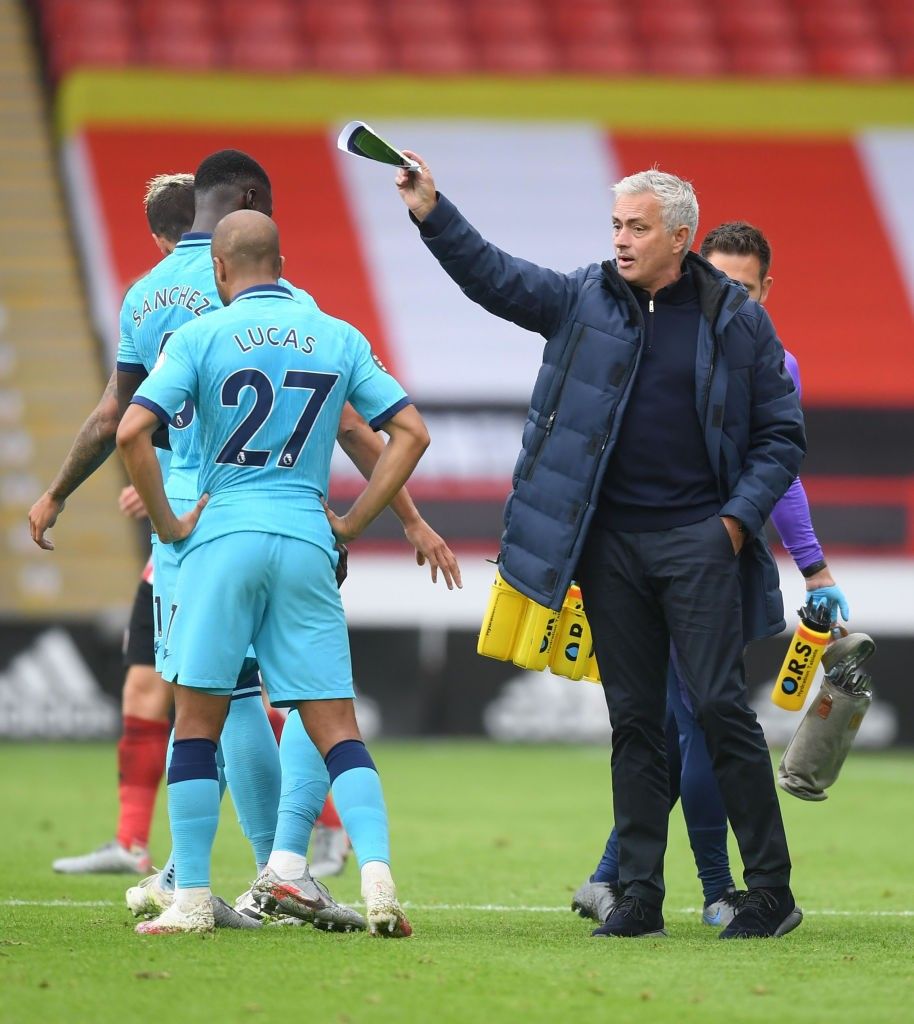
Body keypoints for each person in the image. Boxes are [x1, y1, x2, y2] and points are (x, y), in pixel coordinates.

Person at [395, 158, 806, 939]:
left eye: (637, 227)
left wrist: (731, 523)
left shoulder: (737, 319)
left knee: (719, 708)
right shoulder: (583, 296)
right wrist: (431, 212)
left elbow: (782, 436)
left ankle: (770, 893)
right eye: (616, 225)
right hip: (611, 548)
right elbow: (495, 278)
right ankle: (639, 895)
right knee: (635, 720)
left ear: (679, 237)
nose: (620, 239)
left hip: (699, 543)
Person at [117, 209, 425, 937]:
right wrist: (354, 522)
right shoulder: (337, 333)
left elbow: (131, 429)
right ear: (282, 265)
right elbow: (409, 432)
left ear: (219, 270)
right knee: (337, 726)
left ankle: (192, 898)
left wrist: (168, 523)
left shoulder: (199, 335)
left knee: (199, 721)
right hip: (307, 538)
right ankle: (377, 879)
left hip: (222, 538)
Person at [572, 221, 854, 928]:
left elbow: (781, 471)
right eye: (720, 281)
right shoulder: (663, 336)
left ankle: (654, 881)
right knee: (673, 723)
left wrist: (813, 566)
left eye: (744, 288)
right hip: (648, 561)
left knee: (694, 721)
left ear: (766, 291)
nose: (730, 297)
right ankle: (693, 886)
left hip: (708, 568)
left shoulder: (767, 358)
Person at [51, 174, 195, 876]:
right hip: (175, 526)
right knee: (147, 683)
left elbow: (124, 412)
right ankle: (132, 842)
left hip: (211, 522)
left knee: (229, 694)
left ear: (157, 237)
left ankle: (320, 830)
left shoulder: (154, 294)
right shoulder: (218, 289)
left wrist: (58, 493)